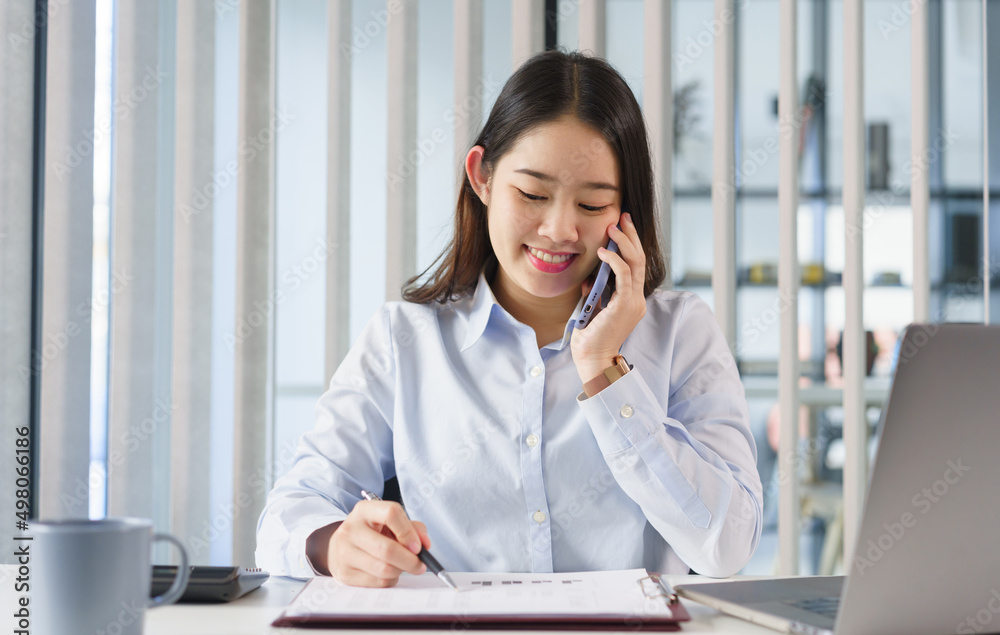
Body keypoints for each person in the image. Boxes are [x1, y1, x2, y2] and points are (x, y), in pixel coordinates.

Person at [255, 50, 762, 587]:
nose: (559, 229)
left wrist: (606, 375)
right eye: (532, 194)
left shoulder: (681, 332)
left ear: (624, 213)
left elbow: (727, 546)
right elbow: (287, 515)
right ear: (483, 178)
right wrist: (334, 543)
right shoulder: (404, 341)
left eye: (592, 206)